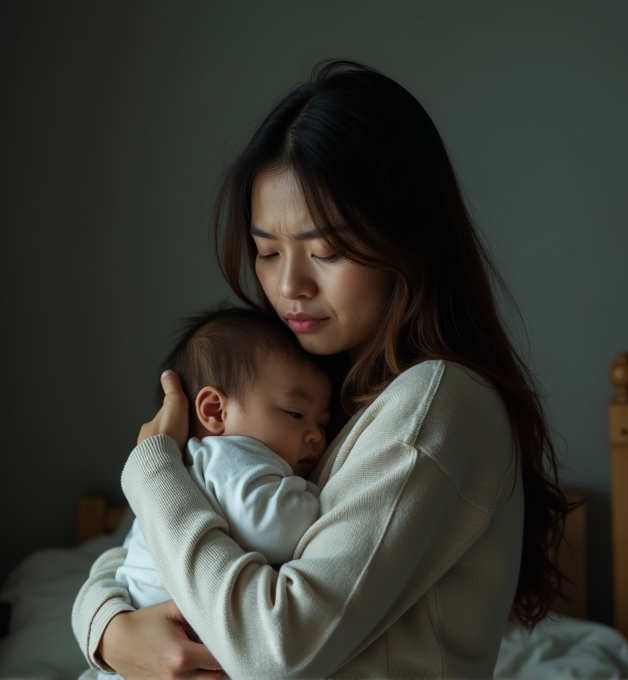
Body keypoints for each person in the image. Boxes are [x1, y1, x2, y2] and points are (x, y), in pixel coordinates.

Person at [72, 60, 570, 679]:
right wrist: (108, 631)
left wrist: (152, 469)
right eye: (267, 251)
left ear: (406, 238)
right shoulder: (303, 389)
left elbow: (272, 649)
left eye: (326, 251)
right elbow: (141, 549)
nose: (288, 285)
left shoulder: (435, 405)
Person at [96, 306, 331, 680]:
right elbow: (277, 527)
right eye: (296, 413)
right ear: (214, 411)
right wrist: (316, 494)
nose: (316, 436)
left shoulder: (186, 469)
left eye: (323, 422)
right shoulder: (231, 457)